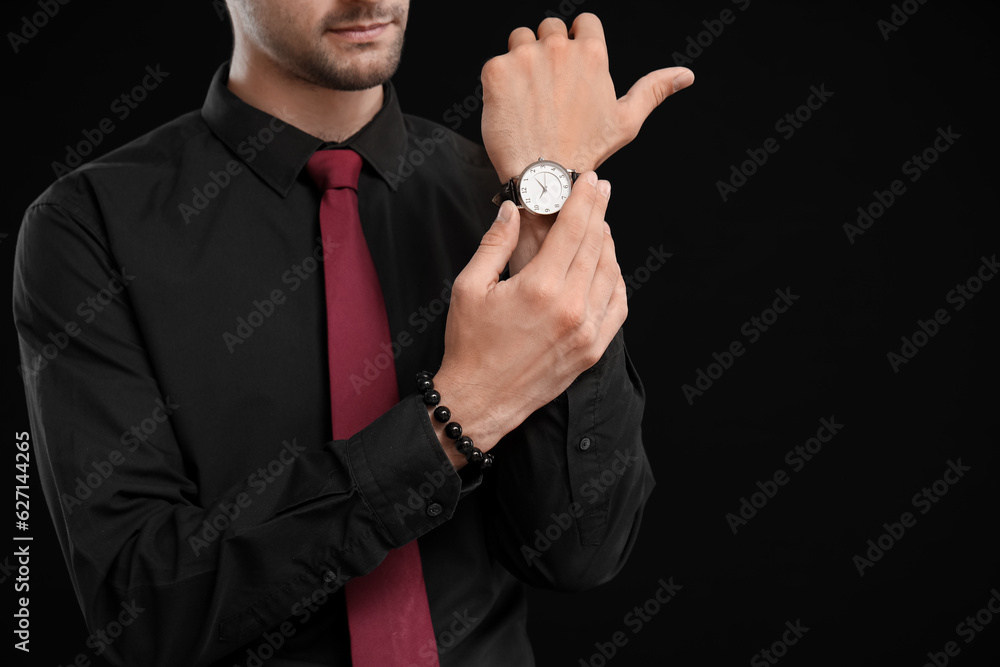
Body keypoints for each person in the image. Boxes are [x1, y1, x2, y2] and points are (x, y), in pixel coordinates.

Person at [12, 1, 694, 665]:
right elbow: (144, 607)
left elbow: (580, 553)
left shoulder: (508, 191)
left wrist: (546, 201)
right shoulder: (89, 225)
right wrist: (456, 416)